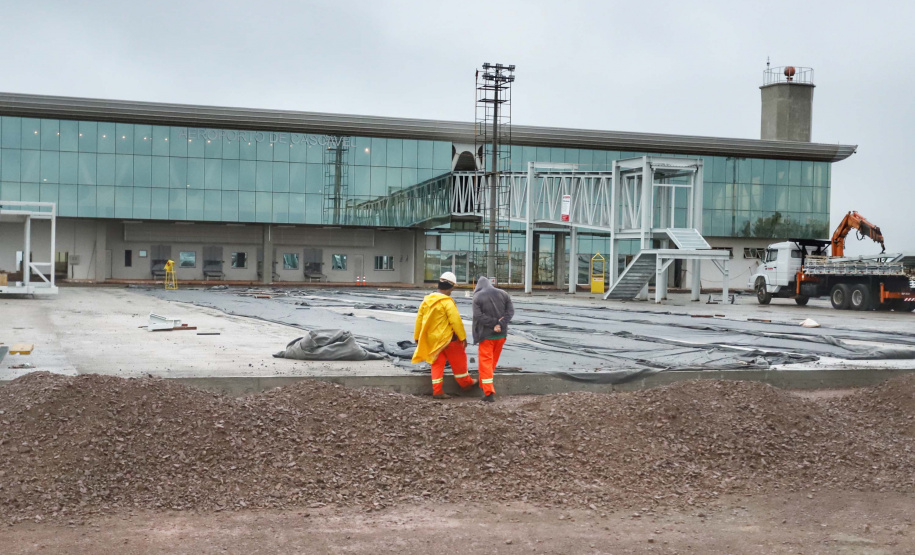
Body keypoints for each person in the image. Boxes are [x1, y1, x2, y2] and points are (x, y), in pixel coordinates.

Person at [412, 271, 477, 399]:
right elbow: (455, 321)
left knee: (436, 364)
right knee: (459, 361)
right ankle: (465, 383)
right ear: (451, 287)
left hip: (433, 340)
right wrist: (463, 337)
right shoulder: (447, 302)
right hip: (449, 340)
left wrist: (417, 337)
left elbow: (419, 319)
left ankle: (437, 391)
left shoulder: (427, 300)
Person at [472, 276, 514, 402]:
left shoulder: (477, 297)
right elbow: (510, 312)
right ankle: (484, 384)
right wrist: (500, 324)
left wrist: (493, 323)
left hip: (486, 336)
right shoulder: (504, 294)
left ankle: (488, 392)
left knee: (485, 363)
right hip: (501, 336)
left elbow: (478, 316)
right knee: (492, 362)